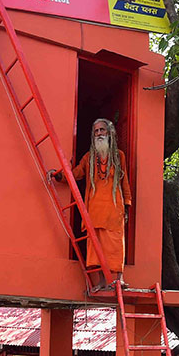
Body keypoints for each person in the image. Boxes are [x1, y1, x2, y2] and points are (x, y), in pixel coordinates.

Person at [54, 118, 131, 281]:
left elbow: (125, 182)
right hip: (94, 209)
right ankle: (103, 282)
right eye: (96, 131)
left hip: (114, 208)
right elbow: (75, 174)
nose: (99, 134)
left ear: (109, 133)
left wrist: (127, 205)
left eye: (102, 130)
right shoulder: (89, 157)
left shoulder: (119, 156)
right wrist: (59, 175)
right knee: (97, 246)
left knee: (115, 243)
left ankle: (119, 280)